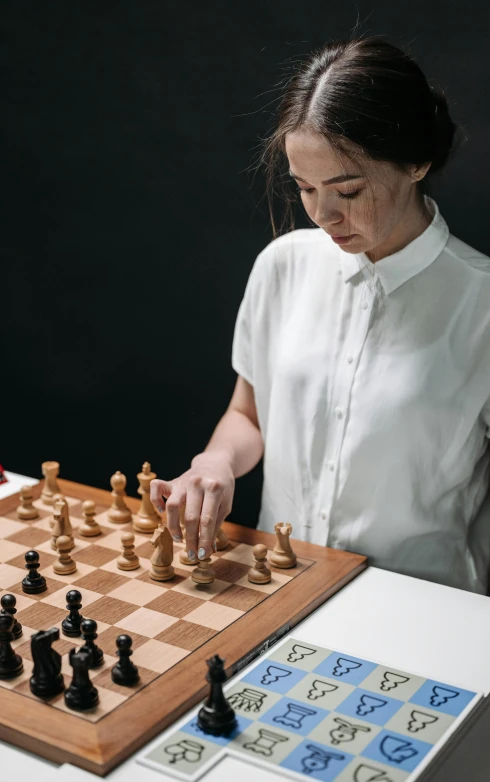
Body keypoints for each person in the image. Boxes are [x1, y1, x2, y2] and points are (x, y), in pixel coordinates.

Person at [151, 35, 490, 594]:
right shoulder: (283, 266)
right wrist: (214, 462)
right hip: (276, 585)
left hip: (422, 606)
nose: (323, 215)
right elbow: (250, 415)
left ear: (416, 162)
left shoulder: (479, 304)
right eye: (304, 187)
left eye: (348, 190)